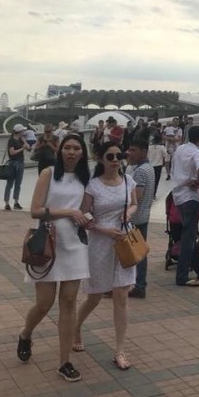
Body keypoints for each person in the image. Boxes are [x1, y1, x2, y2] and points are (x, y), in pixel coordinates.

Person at [16, 134, 91, 382]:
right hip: (47, 243)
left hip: (75, 245)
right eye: (67, 147)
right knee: (44, 303)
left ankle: (64, 362)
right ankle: (26, 333)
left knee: (69, 302)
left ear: (83, 152)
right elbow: (35, 210)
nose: (71, 152)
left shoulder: (85, 177)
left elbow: (88, 209)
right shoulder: (48, 173)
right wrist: (69, 212)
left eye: (76, 148)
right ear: (60, 151)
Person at [74, 142, 138, 370]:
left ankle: (119, 349)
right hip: (100, 243)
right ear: (100, 159)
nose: (115, 160)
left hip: (124, 242)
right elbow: (84, 216)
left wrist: (127, 213)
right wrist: (104, 229)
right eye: (110, 156)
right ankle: (76, 327)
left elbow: (134, 204)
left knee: (121, 296)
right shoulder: (93, 186)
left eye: (118, 155)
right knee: (95, 296)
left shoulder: (128, 181)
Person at [171, 126, 199, 287]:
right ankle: (182, 276)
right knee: (188, 238)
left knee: (189, 234)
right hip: (190, 197)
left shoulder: (180, 149)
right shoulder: (196, 152)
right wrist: (197, 180)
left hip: (178, 196)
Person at [125, 139, 156, 299]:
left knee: (137, 252)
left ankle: (139, 285)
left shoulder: (140, 171)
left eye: (133, 150)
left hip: (136, 218)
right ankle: (139, 284)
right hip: (143, 215)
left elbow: (137, 197)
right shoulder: (148, 168)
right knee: (139, 251)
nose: (130, 153)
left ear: (144, 151)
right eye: (129, 150)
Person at [4, 124, 31, 210]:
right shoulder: (11, 140)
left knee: (18, 183)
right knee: (10, 183)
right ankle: (7, 202)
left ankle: (16, 201)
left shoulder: (20, 139)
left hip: (20, 162)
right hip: (13, 163)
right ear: (19, 131)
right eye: (22, 131)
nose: (23, 132)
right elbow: (12, 152)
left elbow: (28, 147)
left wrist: (24, 141)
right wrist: (22, 149)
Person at [148, 132, 166, 197]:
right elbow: (165, 155)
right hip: (158, 166)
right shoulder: (162, 147)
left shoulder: (149, 147)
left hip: (150, 165)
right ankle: (154, 194)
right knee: (156, 180)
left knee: (150, 180)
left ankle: (149, 193)